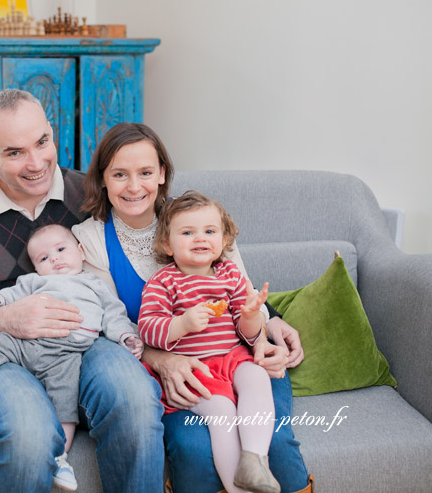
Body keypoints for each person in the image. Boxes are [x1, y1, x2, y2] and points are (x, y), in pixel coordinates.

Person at [0, 90, 165, 493]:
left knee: (137, 402)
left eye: (42, 143)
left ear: (54, 135)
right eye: (14, 153)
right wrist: (0, 320)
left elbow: (181, 238)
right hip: (6, 357)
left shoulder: (90, 194)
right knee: (28, 436)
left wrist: (265, 321)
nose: (36, 164)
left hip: (88, 342)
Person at [72, 122, 313, 493]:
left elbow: (243, 296)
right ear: (102, 179)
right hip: (173, 365)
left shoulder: (200, 218)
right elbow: (110, 325)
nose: (135, 187)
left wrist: (266, 329)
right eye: (120, 174)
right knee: (194, 450)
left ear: (163, 174)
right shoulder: (90, 239)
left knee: (274, 443)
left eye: (146, 173)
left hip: (238, 355)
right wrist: (161, 359)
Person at [0, 223, 144, 491]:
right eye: (43, 258)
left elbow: (114, 315)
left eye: (61, 249)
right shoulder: (35, 282)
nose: (54, 258)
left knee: (64, 404)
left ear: (81, 251)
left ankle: (60, 456)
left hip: (67, 354)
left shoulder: (95, 284)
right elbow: (9, 295)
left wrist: (126, 336)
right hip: (26, 343)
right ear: (36, 267)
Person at [138, 191, 279, 493]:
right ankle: (238, 487)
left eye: (209, 231)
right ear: (167, 244)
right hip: (195, 369)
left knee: (256, 376)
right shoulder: (163, 281)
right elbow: (148, 329)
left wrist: (252, 314)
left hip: (232, 356)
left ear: (224, 240)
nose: (199, 238)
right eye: (187, 232)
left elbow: (248, 334)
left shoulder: (230, 274)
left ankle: (255, 460)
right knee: (222, 411)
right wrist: (182, 324)